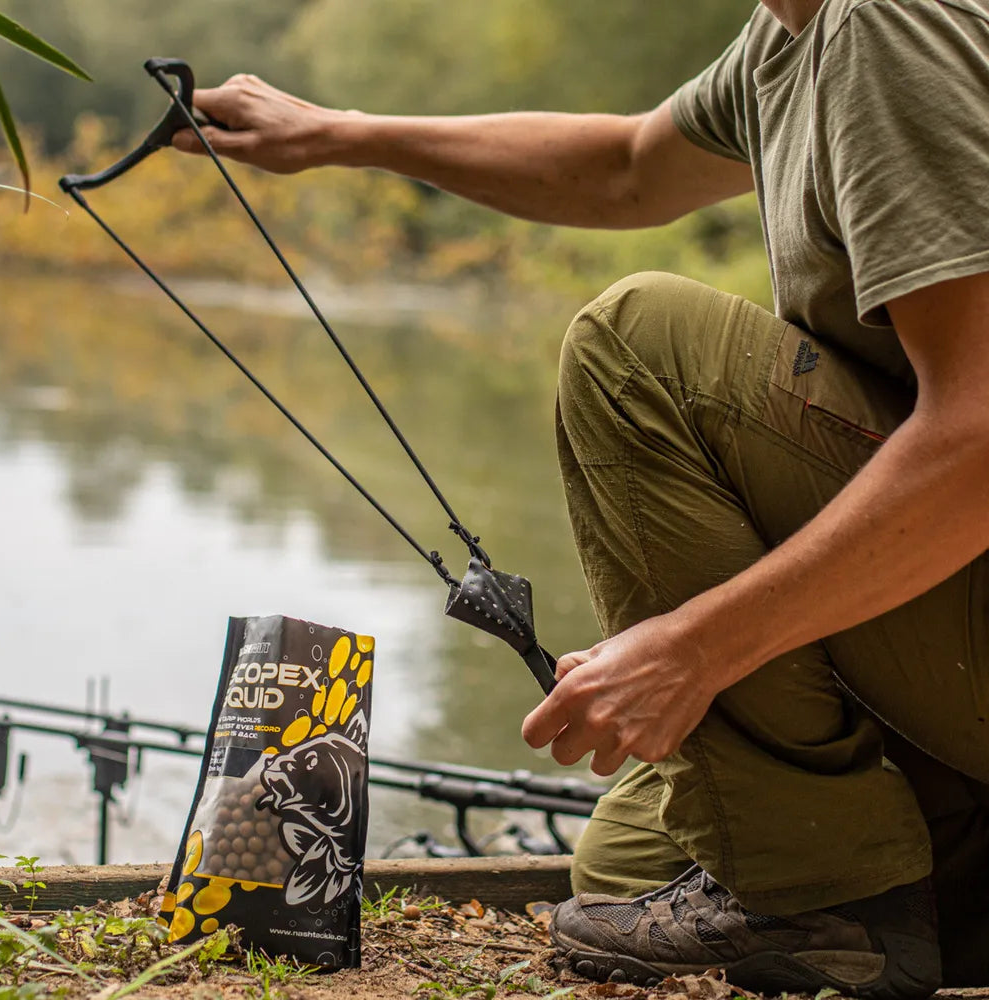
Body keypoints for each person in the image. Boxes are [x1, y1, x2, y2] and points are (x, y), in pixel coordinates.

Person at [174, 0, 989, 994]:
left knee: (639, 346)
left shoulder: (884, 21)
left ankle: (836, 899)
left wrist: (694, 648)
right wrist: (341, 135)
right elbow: (627, 168)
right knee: (632, 868)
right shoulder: (789, 34)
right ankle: (904, 884)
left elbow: (978, 437)